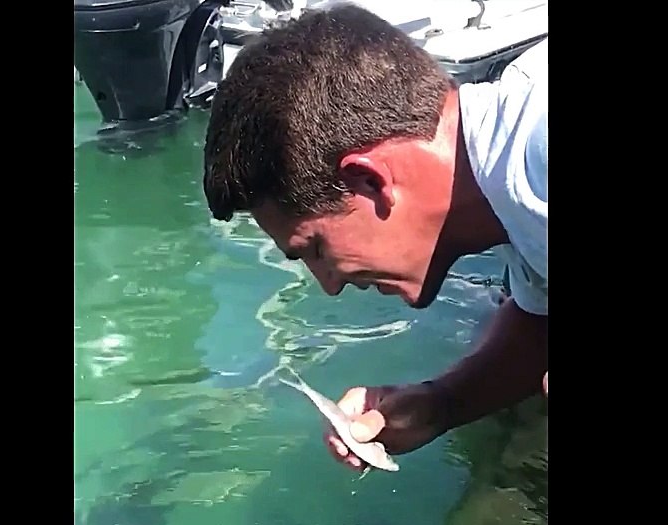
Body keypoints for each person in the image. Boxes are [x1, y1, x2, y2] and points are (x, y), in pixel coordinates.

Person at [202, 4, 547, 471]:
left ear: (369, 181)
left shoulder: (539, 154)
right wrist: (442, 403)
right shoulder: (505, 186)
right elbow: (539, 321)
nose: (329, 285)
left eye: (316, 249)